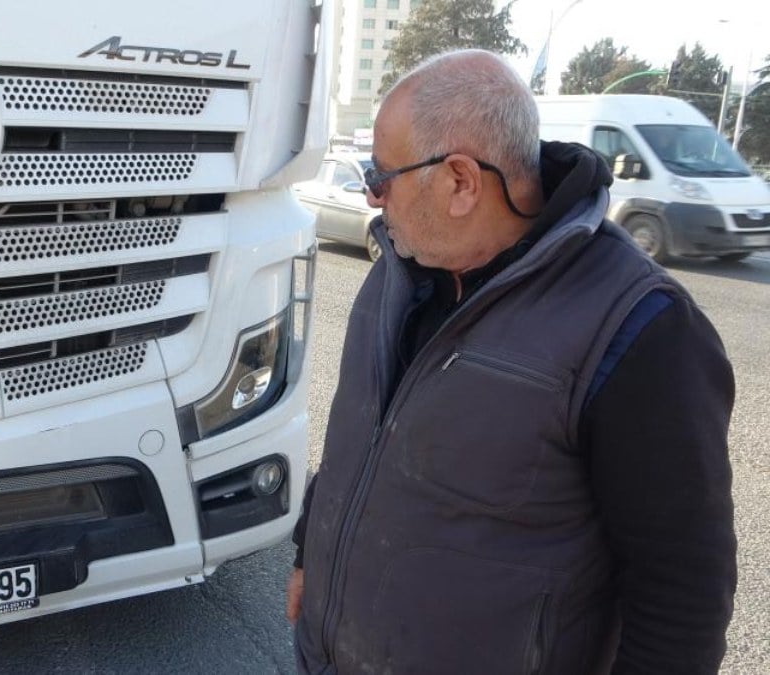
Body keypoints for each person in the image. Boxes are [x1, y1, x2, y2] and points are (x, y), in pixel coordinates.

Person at [287, 49, 736, 675]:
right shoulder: (396, 269)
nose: (372, 195)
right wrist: (311, 552)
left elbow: (680, 591)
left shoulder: (641, 328)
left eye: (382, 175)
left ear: (462, 181)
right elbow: (355, 441)